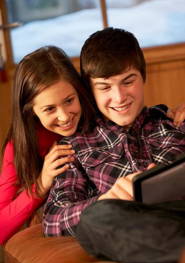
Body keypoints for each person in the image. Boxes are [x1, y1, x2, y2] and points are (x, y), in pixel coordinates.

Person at [43, 27, 185, 237]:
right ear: (90, 90)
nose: (119, 97)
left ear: (143, 77)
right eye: (104, 87)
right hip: (133, 233)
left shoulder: (172, 124)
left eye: (128, 82)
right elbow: (53, 221)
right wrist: (105, 201)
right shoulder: (75, 148)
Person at [0, 45, 95, 245]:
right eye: (50, 109)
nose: (64, 116)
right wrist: (42, 183)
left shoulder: (95, 113)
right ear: (31, 111)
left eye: (69, 100)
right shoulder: (19, 146)